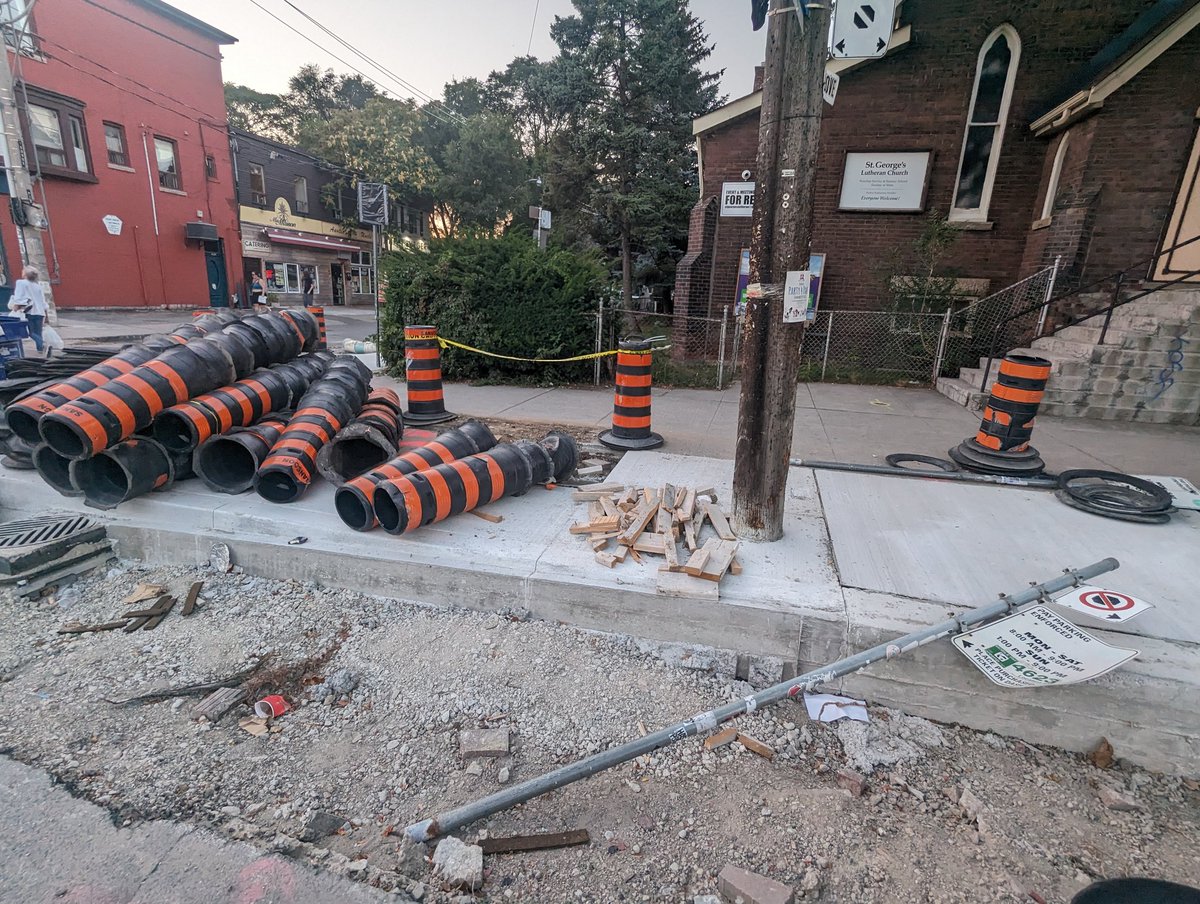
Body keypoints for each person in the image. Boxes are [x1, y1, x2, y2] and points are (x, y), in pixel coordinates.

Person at [8, 265, 48, 354]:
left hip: (29, 311)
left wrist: (16, 306)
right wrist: (45, 312)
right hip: (40, 312)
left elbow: (19, 296)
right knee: (38, 332)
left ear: (25, 274)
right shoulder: (38, 286)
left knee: (30, 332)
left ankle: (42, 343)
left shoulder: (21, 283)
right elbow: (43, 300)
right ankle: (40, 349)